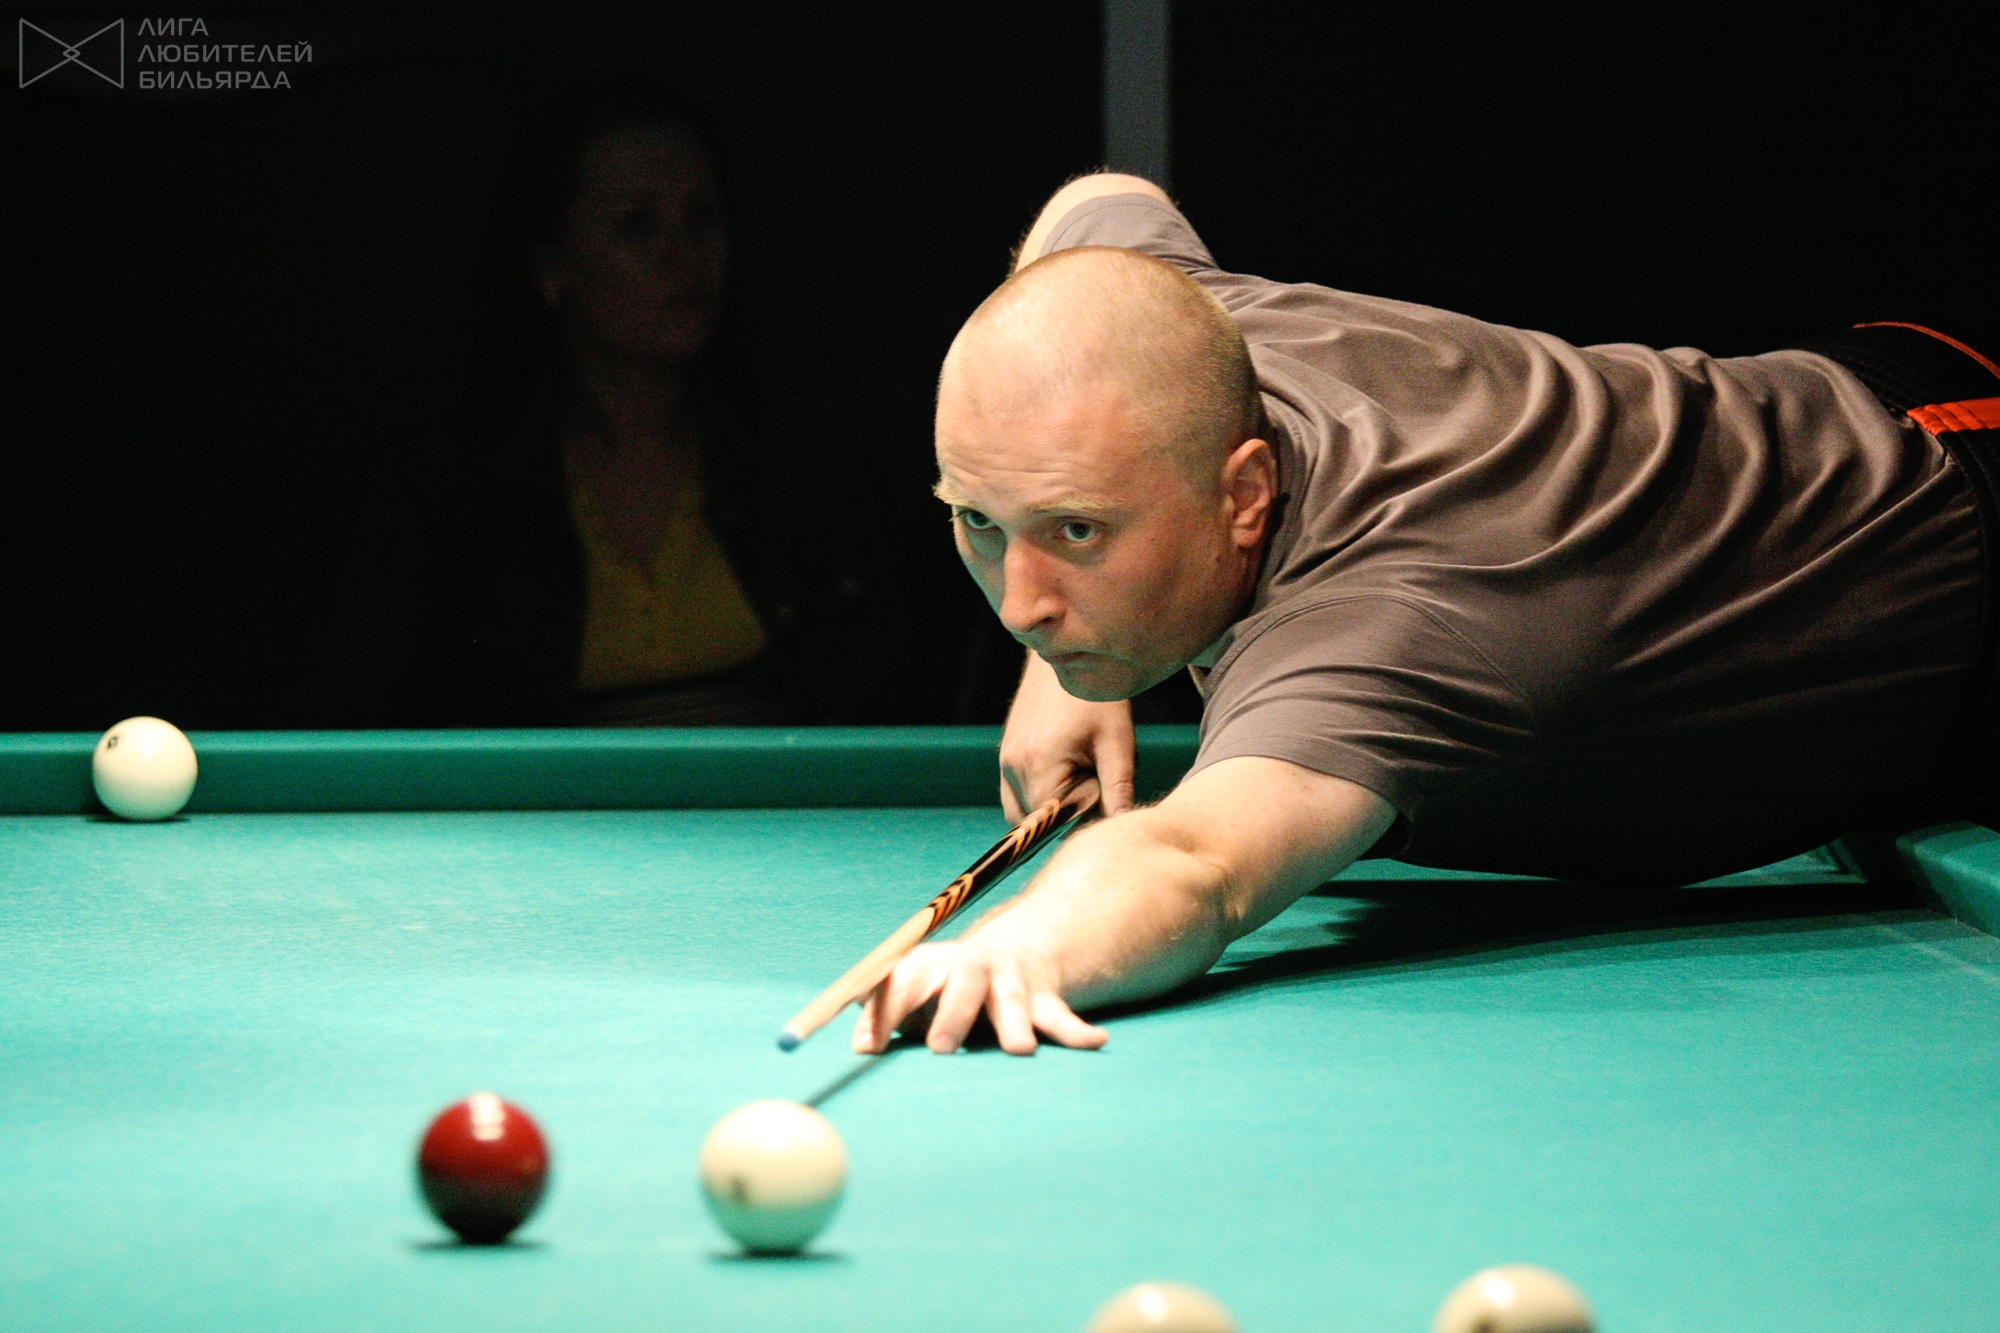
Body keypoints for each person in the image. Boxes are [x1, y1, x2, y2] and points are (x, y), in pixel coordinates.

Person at [852, 171, 2000, 1058]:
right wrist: (1063, 651)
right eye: (980, 521)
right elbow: (1101, 202)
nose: (1020, 602)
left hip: (1960, 503)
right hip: (1844, 405)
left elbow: (1195, 863)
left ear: (1243, 496)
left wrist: (1015, 946)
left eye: (1076, 530)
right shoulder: (1174, 338)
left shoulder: (1387, 627)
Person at [429, 78, 859, 725]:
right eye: (637, 223)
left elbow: (875, 691)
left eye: (702, 216)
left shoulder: (795, 463)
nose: (682, 255)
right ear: (553, 268)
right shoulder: (467, 489)